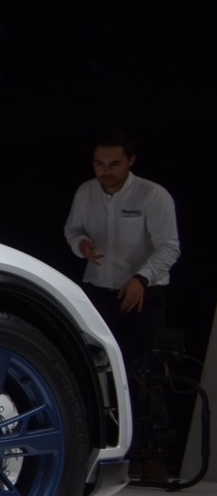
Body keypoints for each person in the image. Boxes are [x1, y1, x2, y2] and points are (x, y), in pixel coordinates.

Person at [64, 131, 180, 364]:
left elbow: (169, 247)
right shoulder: (86, 191)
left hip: (142, 294)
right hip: (99, 291)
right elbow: (72, 230)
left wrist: (141, 278)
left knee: (142, 367)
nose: (106, 171)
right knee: (96, 362)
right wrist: (81, 243)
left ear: (131, 160)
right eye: (99, 164)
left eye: (114, 164)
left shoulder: (152, 194)